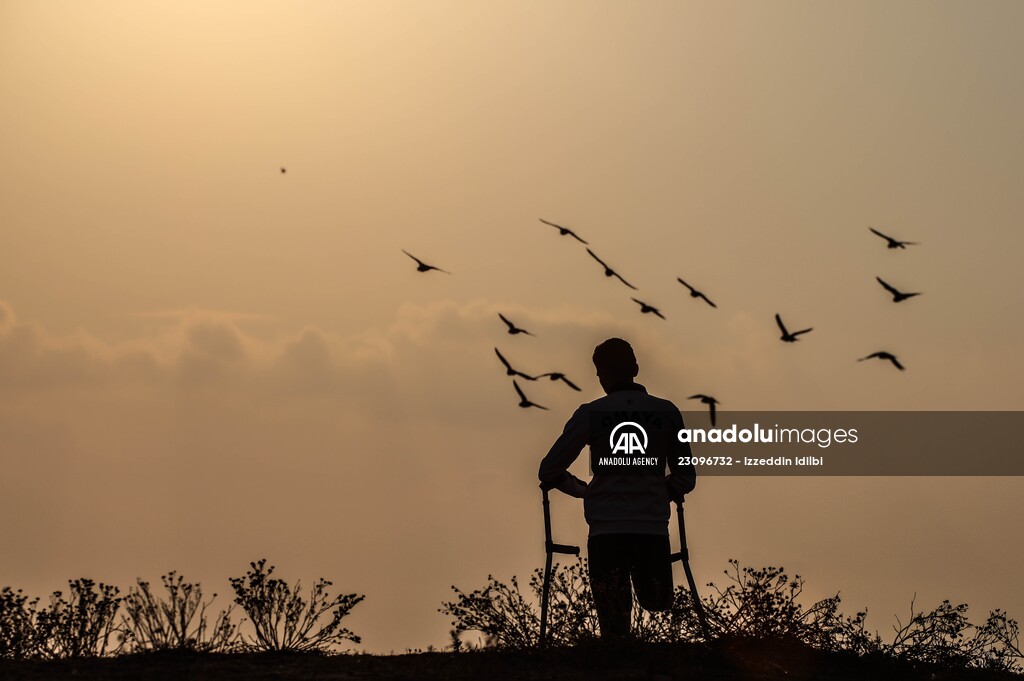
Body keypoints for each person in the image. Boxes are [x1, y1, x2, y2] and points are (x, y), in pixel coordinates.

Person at [538, 337, 696, 639]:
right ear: (636, 369)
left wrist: (586, 491)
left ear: (601, 375)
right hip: (651, 528)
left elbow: (549, 470)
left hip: (605, 532)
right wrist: (665, 488)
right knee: (659, 604)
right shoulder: (666, 412)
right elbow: (685, 475)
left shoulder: (590, 413)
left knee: (614, 624)